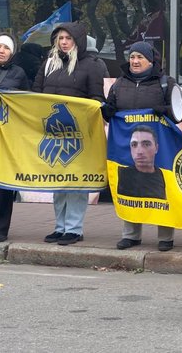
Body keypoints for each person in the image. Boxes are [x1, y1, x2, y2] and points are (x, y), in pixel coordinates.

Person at [32, 22, 105, 246]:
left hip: (79, 134)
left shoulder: (92, 65)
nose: (63, 42)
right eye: (60, 38)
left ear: (78, 40)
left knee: (76, 183)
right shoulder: (48, 64)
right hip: (53, 133)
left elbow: (98, 98)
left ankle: (74, 228)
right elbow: (36, 95)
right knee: (59, 182)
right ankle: (60, 226)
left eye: (68, 38)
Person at [103, 41, 177, 252]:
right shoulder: (119, 83)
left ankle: (165, 236)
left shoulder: (165, 83)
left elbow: (179, 109)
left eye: (140, 58)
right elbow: (111, 108)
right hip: (128, 146)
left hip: (160, 145)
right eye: (132, 57)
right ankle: (131, 235)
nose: (135, 61)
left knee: (164, 189)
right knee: (129, 188)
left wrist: (163, 110)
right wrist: (107, 111)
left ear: (150, 60)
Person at [0, 33, 29, 243]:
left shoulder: (19, 73)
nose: (1, 50)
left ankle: (1, 229)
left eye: (6, 48)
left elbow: (26, 103)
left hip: (7, 141)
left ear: (12, 52)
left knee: (3, 187)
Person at [117, 125, 166, 200]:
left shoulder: (163, 175)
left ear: (156, 148)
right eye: (134, 145)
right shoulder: (121, 175)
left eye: (146, 144)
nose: (139, 152)